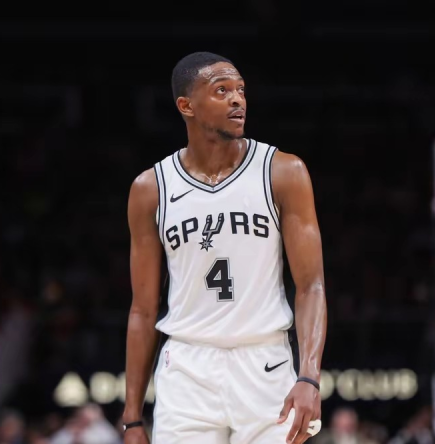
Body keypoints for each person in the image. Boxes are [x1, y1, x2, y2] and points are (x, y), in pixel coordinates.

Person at [122, 51, 327, 444]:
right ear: (186, 106)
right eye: (222, 90)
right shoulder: (151, 189)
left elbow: (311, 286)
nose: (237, 99)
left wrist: (309, 376)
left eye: (241, 90)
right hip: (187, 368)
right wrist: (132, 417)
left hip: (264, 361)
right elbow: (143, 309)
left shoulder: (283, 172)